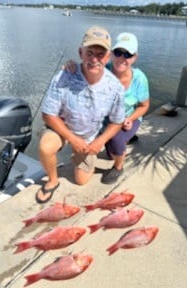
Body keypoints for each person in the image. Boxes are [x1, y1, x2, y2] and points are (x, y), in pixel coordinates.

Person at [35, 26, 125, 203]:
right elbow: (48, 115)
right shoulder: (64, 75)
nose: (94, 59)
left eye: (100, 54)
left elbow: (117, 122)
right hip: (62, 128)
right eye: (89, 53)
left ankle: (80, 159)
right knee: (45, 147)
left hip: (89, 137)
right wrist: (73, 139)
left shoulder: (115, 87)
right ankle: (52, 181)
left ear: (108, 57)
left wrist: (99, 142)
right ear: (80, 52)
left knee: (81, 181)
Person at [63, 32, 150, 185]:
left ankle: (118, 166)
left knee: (116, 140)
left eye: (128, 54)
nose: (122, 58)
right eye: (118, 52)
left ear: (135, 57)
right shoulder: (102, 69)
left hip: (126, 118)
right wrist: (70, 66)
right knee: (109, 152)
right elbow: (85, 66)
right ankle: (124, 141)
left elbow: (144, 106)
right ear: (111, 54)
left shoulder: (139, 78)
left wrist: (130, 118)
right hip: (102, 119)